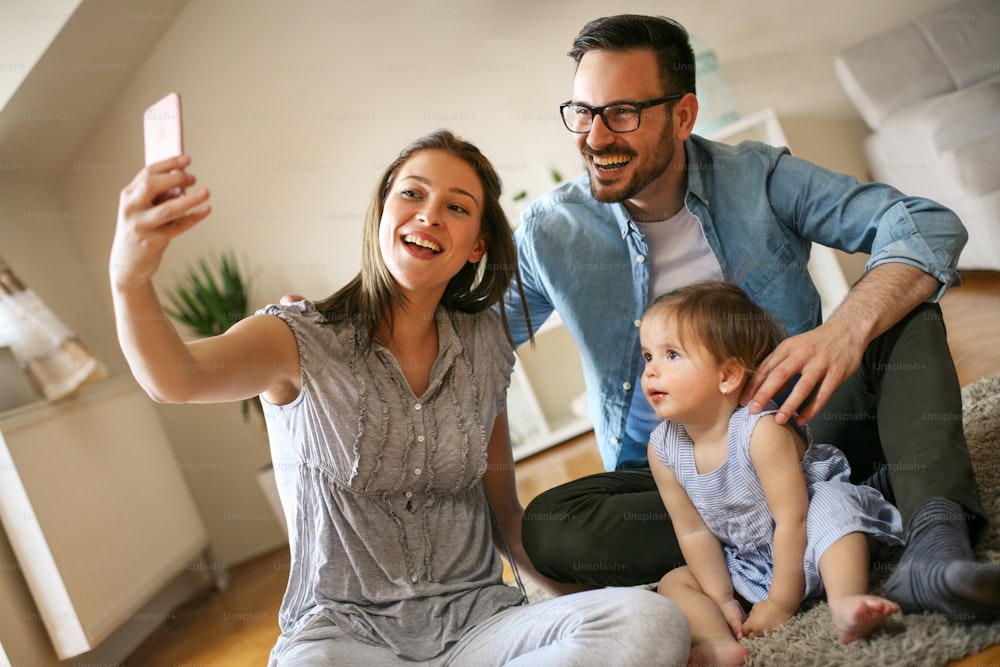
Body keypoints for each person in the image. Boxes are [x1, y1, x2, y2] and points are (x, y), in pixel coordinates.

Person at [110, 129, 690, 666]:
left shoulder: (485, 344)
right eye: (412, 194)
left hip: (477, 627)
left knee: (649, 619)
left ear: (475, 246)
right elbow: (176, 378)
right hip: (344, 637)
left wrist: (575, 613)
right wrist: (129, 277)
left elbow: (505, 516)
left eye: (457, 207)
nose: (430, 216)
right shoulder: (295, 337)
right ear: (383, 211)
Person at [504, 13, 1000, 623]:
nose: (595, 136)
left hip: (802, 437)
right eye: (582, 112)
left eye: (623, 113)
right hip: (675, 482)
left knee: (902, 311)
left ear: (683, 116)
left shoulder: (760, 177)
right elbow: (478, 342)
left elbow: (926, 223)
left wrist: (844, 329)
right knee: (552, 526)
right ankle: (820, 525)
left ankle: (935, 546)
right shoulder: (550, 229)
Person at [641, 281, 904, 666]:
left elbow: (793, 520)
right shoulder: (663, 448)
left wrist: (781, 602)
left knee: (836, 505)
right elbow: (693, 530)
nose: (651, 371)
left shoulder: (761, 432)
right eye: (648, 356)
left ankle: (846, 601)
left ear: (727, 376)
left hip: (813, 542)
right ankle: (717, 641)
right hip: (749, 560)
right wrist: (723, 599)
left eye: (671, 355)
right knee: (674, 582)